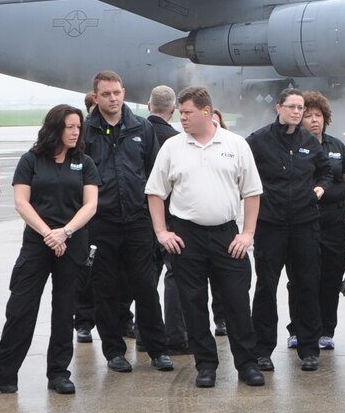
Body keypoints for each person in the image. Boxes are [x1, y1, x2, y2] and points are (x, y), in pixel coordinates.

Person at [0, 105, 99, 395]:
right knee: (21, 307)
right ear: (55, 128)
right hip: (38, 244)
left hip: (72, 243)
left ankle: (58, 374)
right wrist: (48, 234)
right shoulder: (31, 160)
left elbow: (90, 204)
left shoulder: (84, 162)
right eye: (69, 126)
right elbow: (21, 202)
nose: (76, 131)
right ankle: (3, 375)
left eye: (78, 126)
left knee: (65, 310)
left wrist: (64, 232)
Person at [145, 87, 265, 387]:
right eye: (180, 112)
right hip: (187, 236)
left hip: (227, 234)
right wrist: (162, 232)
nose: (181, 117)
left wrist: (247, 233)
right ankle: (206, 365)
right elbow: (155, 192)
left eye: (187, 112)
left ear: (207, 111)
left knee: (237, 302)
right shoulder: (173, 147)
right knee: (192, 303)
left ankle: (247, 365)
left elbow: (252, 192)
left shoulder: (235, 144)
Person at [83, 71, 171, 375]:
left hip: (136, 221)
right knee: (105, 290)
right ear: (95, 97)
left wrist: (156, 222)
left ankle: (158, 350)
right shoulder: (85, 132)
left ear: (124, 92)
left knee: (146, 287)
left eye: (117, 92)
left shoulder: (141, 128)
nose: (113, 98)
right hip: (101, 224)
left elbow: (155, 176)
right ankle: (113, 351)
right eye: (106, 94)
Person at [246, 90, 336, 372]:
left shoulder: (309, 141)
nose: (297, 112)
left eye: (301, 108)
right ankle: (262, 349)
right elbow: (243, 170)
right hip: (270, 224)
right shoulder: (258, 140)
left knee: (307, 284)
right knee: (266, 286)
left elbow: (326, 172)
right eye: (292, 107)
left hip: (304, 223)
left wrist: (320, 188)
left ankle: (309, 348)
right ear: (279, 107)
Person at [301, 92, 345, 352]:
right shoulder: (295, 146)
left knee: (331, 274)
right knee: (303, 277)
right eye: (308, 115)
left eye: (319, 115)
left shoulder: (336, 147)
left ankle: (326, 330)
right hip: (304, 219)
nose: (314, 120)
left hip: (335, 219)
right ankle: (300, 329)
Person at [145, 86, 188, 351]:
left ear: (149, 107)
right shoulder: (177, 141)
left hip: (140, 216)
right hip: (170, 217)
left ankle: (143, 334)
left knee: (146, 277)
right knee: (175, 276)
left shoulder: (136, 134)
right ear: (173, 111)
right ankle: (175, 336)